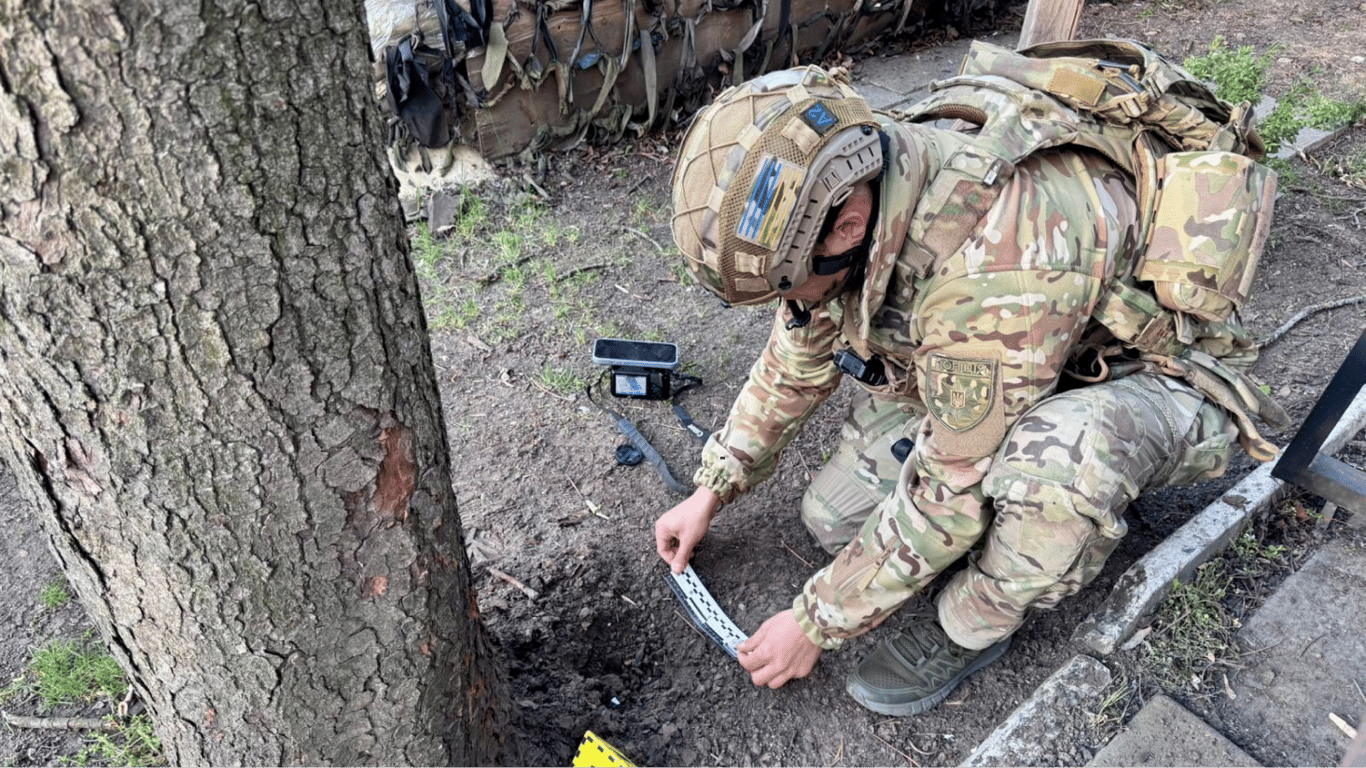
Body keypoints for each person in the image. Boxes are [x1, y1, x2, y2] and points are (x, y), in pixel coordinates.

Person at [656, 59, 1284, 715]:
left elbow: (948, 491)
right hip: (1024, 349)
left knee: (1056, 469)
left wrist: (816, 620)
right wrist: (714, 485)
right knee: (835, 518)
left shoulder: (991, 275)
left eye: (788, 284)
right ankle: (999, 492)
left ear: (847, 228)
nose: (788, 302)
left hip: (1141, 374)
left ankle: (970, 623)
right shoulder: (856, 175)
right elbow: (797, 353)